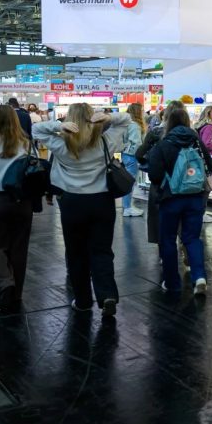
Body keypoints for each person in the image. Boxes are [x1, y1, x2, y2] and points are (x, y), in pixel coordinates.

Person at [34, 103, 132, 316]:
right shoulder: (105, 141)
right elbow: (127, 120)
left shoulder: (61, 144)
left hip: (72, 202)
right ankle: (107, 294)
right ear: (92, 117)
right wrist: (108, 118)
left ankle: (83, 300)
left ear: (70, 119)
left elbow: (36, 130)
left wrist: (58, 126)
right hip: (102, 201)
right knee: (102, 250)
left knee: (76, 252)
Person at [145, 107, 212, 295]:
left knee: (167, 239)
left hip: (171, 198)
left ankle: (172, 282)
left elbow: (154, 174)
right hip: (195, 197)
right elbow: (209, 166)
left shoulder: (163, 144)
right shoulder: (196, 142)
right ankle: (199, 276)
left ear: (168, 122)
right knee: (192, 238)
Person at [137, 101, 186, 245]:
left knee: (160, 224)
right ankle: (185, 247)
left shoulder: (156, 132)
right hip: (185, 182)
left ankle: (164, 251)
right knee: (185, 224)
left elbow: (139, 153)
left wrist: (149, 163)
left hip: (161, 182)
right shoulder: (191, 134)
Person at [0, 105, 32, 313]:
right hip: (21, 202)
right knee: (19, 248)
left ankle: (5, 283)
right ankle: (17, 292)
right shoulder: (25, 143)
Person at [194, 105, 212, 224]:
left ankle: (198, 212)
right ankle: (202, 213)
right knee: (208, 185)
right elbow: (206, 144)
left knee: (203, 185)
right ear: (208, 114)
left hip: (200, 158)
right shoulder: (209, 127)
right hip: (209, 158)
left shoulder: (199, 125)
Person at [120, 102, 146, 218]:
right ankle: (127, 208)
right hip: (131, 156)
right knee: (129, 183)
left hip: (126, 155)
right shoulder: (135, 125)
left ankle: (127, 206)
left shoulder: (127, 124)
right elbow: (136, 143)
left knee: (127, 182)